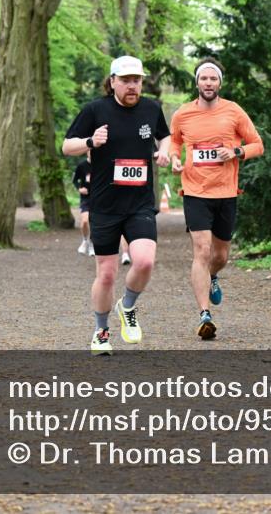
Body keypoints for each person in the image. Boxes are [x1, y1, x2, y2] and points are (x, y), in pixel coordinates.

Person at [62, 55, 171, 355]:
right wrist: (89, 141)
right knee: (107, 274)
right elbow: (66, 145)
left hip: (139, 204)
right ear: (112, 82)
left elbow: (166, 137)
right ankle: (101, 331)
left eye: (136, 80)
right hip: (105, 205)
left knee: (145, 261)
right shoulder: (95, 110)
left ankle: (128, 306)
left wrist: (164, 152)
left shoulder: (151, 108)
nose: (132, 86)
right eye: (125, 80)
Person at [168, 58, 263, 340]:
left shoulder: (233, 111)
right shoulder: (183, 114)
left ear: (219, 83)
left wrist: (235, 152)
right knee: (201, 250)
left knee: (220, 256)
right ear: (196, 82)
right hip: (195, 192)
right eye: (203, 78)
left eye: (213, 79)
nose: (208, 83)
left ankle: (213, 276)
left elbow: (257, 144)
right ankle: (204, 314)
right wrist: (174, 158)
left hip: (226, 192)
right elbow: (174, 140)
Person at [72, 152, 95, 256]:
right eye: (91, 151)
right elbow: (75, 180)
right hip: (86, 198)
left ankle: (91, 244)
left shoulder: (101, 164)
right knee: (85, 221)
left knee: (94, 222)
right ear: (87, 152)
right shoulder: (82, 166)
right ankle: (85, 240)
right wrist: (80, 189)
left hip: (98, 198)